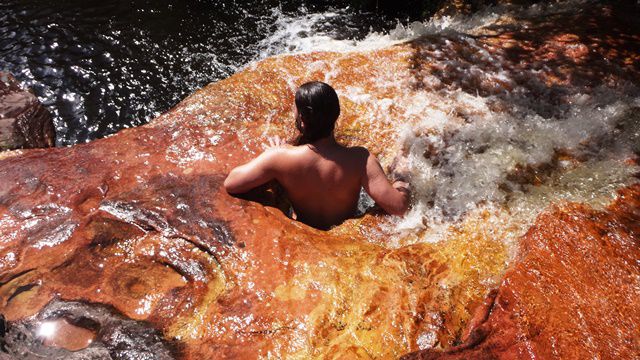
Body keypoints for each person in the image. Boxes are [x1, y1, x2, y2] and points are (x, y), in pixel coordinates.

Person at [224, 81, 410, 229]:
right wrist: (401, 176)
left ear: (302, 120)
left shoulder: (281, 157)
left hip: (304, 232)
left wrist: (271, 153)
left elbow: (232, 183)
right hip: (345, 234)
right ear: (336, 114)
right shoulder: (360, 159)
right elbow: (399, 207)